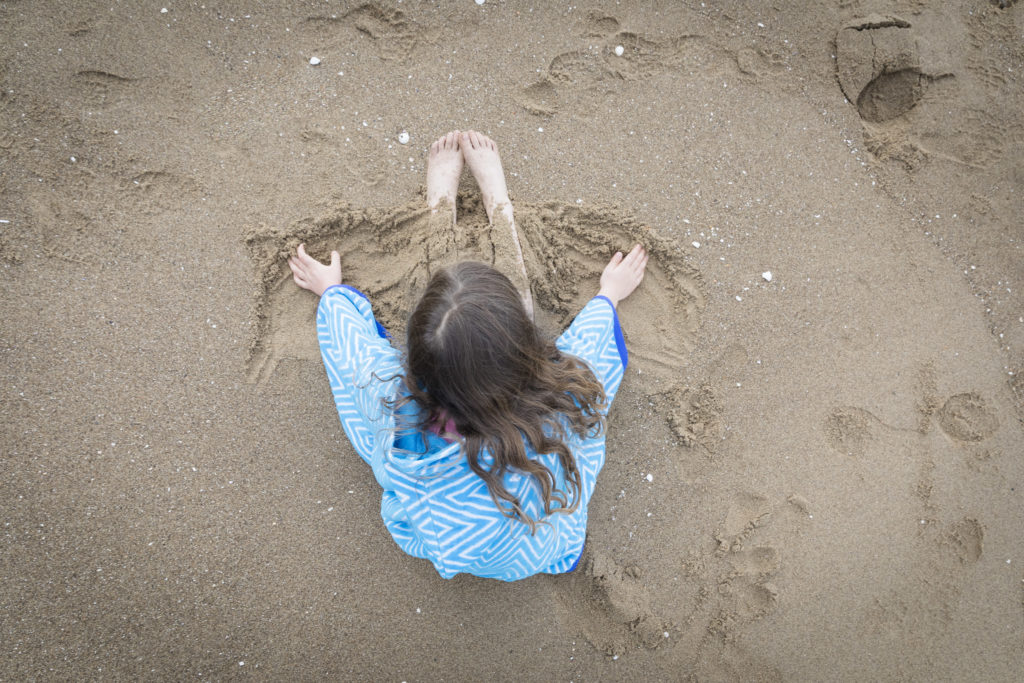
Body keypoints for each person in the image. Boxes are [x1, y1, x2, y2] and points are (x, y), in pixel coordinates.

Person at [288, 130, 648, 581]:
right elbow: (594, 349)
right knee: (562, 517)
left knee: (375, 394)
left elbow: (353, 355)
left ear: (415, 367)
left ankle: (440, 208)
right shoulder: (559, 407)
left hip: (448, 537)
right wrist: (608, 297)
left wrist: (333, 295)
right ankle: (499, 205)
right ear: (526, 356)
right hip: (542, 548)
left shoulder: (399, 410)